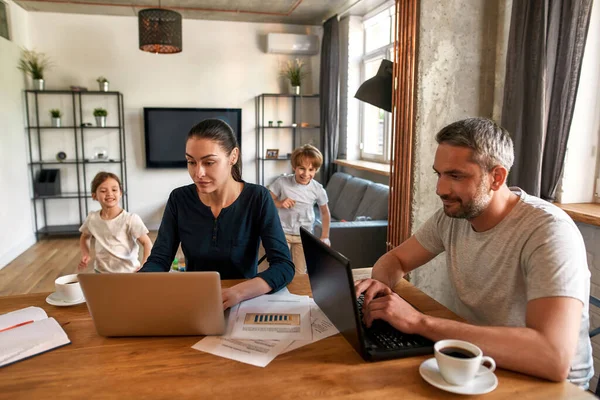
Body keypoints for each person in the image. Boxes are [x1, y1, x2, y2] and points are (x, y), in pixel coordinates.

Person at [355, 117, 593, 388]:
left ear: (497, 177)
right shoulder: (452, 217)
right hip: (482, 363)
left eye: (456, 176)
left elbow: (552, 357)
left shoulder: (549, 232)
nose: (440, 189)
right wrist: (381, 286)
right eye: (439, 174)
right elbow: (395, 259)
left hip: (552, 387)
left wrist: (420, 322)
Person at [139, 119, 295, 309]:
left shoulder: (258, 198)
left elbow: (283, 266)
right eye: (191, 162)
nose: (198, 173)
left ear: (233, 156)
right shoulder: (179, 199)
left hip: (244, 302)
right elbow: (159, 259)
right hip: (196, 302)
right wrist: (141, 283)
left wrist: (238, 292)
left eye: (209, 162)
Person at [269, 144, 331, 274]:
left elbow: (325, 213)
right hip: (282, 232)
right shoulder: (282, 182)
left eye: (311, 170)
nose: (306, 174)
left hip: (304, 235)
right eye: (302, 168)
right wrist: (280, 203)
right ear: (294, 167)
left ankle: (296, 294)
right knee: (280, 267)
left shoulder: (317, 189)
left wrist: (325, 236)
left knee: (300, 273)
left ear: (316, 170)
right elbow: (267, 201)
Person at [79, 172, 153, 273]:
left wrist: (145, 264)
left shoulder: (130, 219)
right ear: (94, 196)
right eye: (103, 191)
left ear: (120, 193)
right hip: (100, 272)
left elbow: (147, 242)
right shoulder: (92, 218)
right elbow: (85, 237)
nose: (109, 193)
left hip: (129, 272)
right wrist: (86, 254)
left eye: (114, 190)